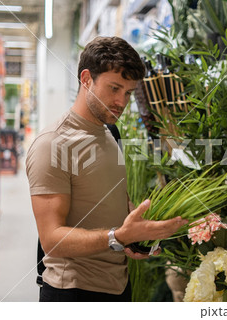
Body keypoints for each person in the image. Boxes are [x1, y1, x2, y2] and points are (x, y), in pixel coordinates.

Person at [26, 36, 188, 302]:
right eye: (114, 88)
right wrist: (118, 236)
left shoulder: (111, 132)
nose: (121, 102)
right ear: (86, 79)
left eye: (127, 92)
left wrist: (135, 235)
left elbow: (111, 198)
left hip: (118, 286)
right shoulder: (53, 143)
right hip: (73, 293)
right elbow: (51, 239)